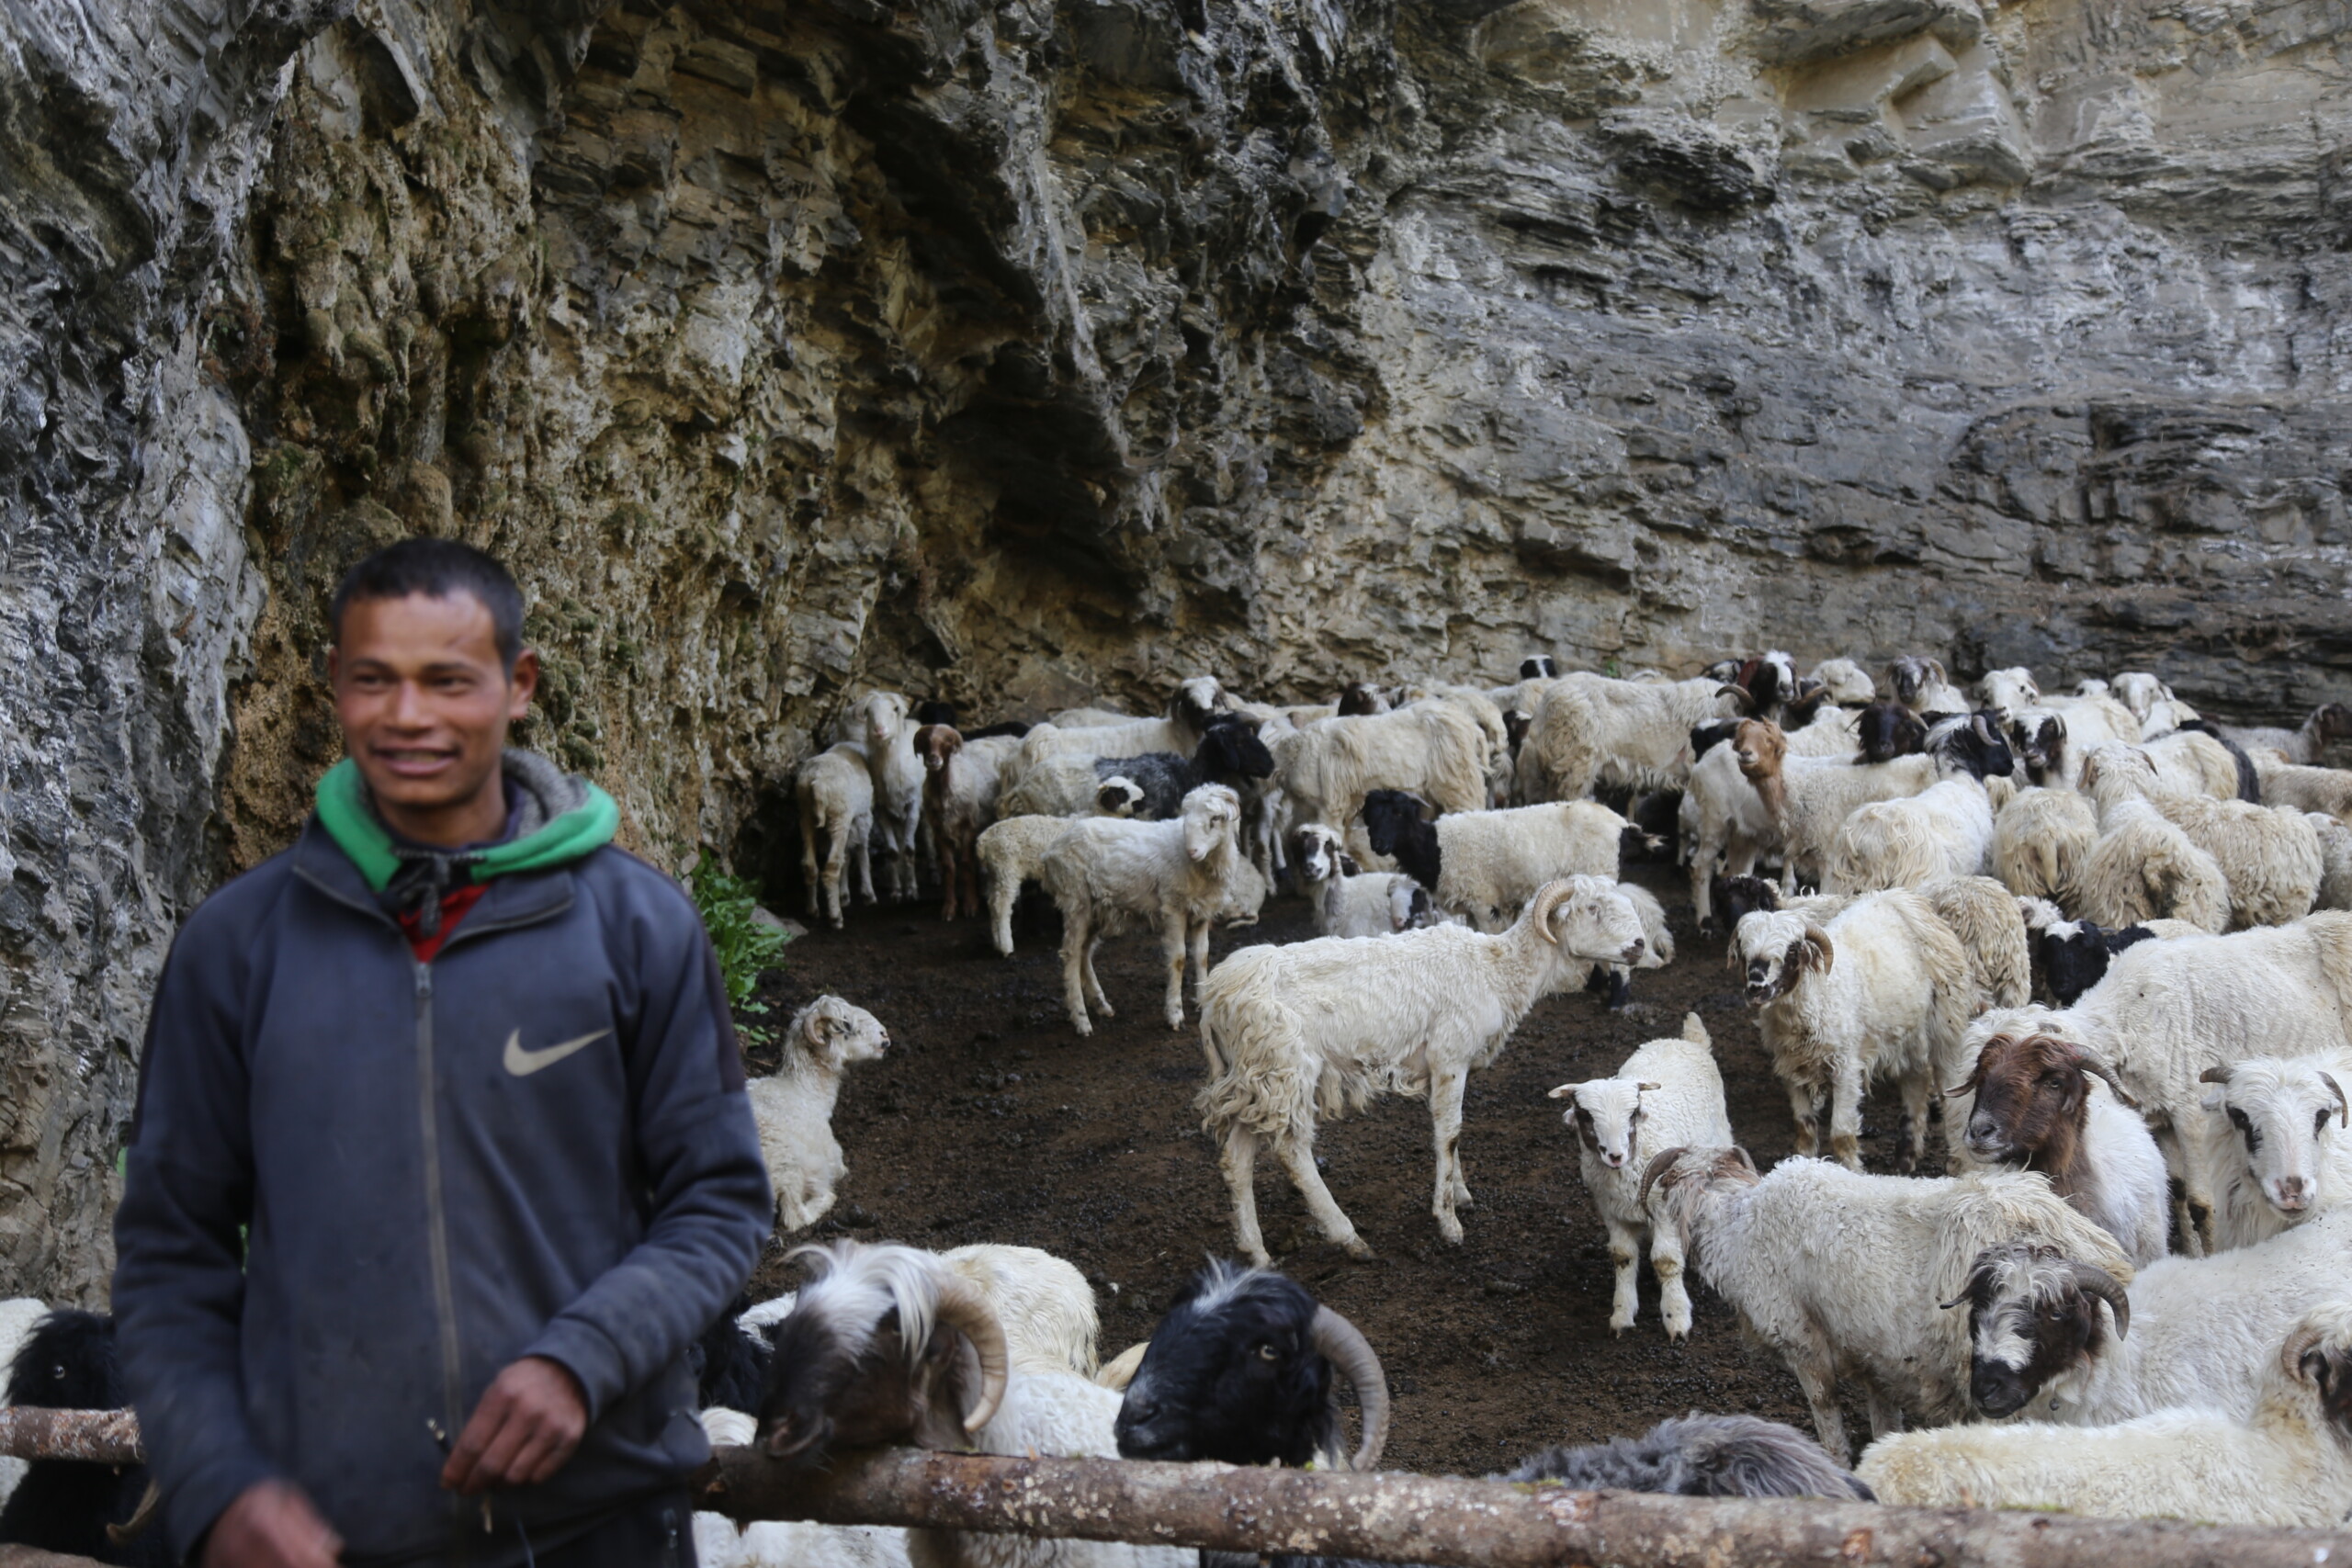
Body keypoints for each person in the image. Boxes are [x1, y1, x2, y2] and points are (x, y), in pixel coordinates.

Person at [114, 539, 771, 1567]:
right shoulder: (237, 947)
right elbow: (169, 1256)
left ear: (518, 687)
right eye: (374, 679)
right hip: (330, 1540)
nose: (408, 716)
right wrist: (217, 1482)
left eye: (447, 681)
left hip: (601, 1527)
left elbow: (720, 1202)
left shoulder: (636, 927)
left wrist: (582, 1361)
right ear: (334, 683)